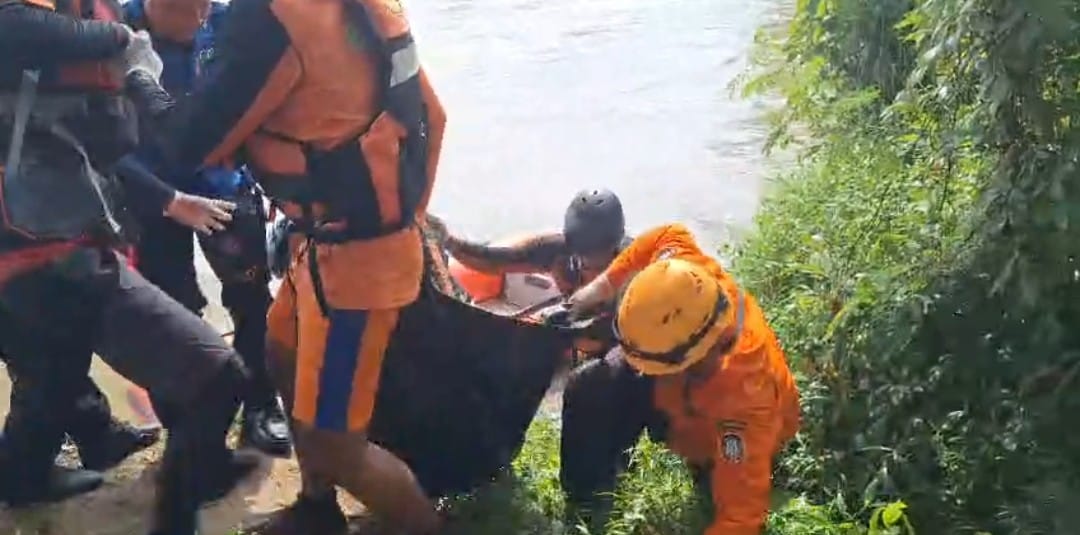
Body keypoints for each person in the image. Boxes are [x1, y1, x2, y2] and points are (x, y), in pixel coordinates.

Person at [119, 0, 448, 531]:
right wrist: (406, 210)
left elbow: (186, 143)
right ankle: (317, 509)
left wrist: (141, 74)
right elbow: (432, 116)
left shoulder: (270, 20)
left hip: (357, 264)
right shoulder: (358, 8)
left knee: (338, 445)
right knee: (282, 354)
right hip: (323, 244)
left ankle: (427, 527)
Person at [0, 6, 258, 535]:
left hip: (52, 245)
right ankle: (170, 508)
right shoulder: (47, 27)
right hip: (41, 255)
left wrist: (142, 76)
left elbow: (131, 138)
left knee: (48, 377)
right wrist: (121, 40)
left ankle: (29, 477)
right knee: (216, 376)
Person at [122, 0, 291, 457]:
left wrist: (275, 182)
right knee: (170, 313)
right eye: (182, 9)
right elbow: (99, 145)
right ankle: (188, 429)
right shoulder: (116, 34)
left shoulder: (228, 23)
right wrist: (168, 201)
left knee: (252, 300)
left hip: (222, 184)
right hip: (149, 195)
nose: (197, 19)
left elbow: (265, 106)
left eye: (203, 5)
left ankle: (261, 405)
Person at [557, 223, 802, 535]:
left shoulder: (744, 408)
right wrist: (594, 292)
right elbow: (662, 235)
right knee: (591, 384)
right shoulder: (686, 271)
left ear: (691, 357)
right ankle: (585, 503)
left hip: (710, 435)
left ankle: (693, 460)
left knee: (718, 484)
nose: (638, 367)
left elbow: (740, 520)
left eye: (647, 362)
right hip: (681, 390)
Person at [428, 188, 630, 296]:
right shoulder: (559, 253)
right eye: (583, 254)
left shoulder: (638, 265)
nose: (589, 265)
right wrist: (448, 241)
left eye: (598, 256)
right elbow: (493, 261)